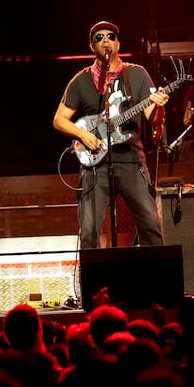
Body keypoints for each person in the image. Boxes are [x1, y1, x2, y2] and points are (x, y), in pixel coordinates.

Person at [53, 20, 168, 249]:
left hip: (131, 161)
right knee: (89, 234)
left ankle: (155, 283)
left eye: (110, 36)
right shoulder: (81, 80)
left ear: (118, 43)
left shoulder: (136, 74)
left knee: (152, 229)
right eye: (99, 37)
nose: (105, 40)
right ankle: (96, 285)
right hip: (95, 166)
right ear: (91, 47)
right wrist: (83, 135)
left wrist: (160, 105)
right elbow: (59, 120)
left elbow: (153, 119)